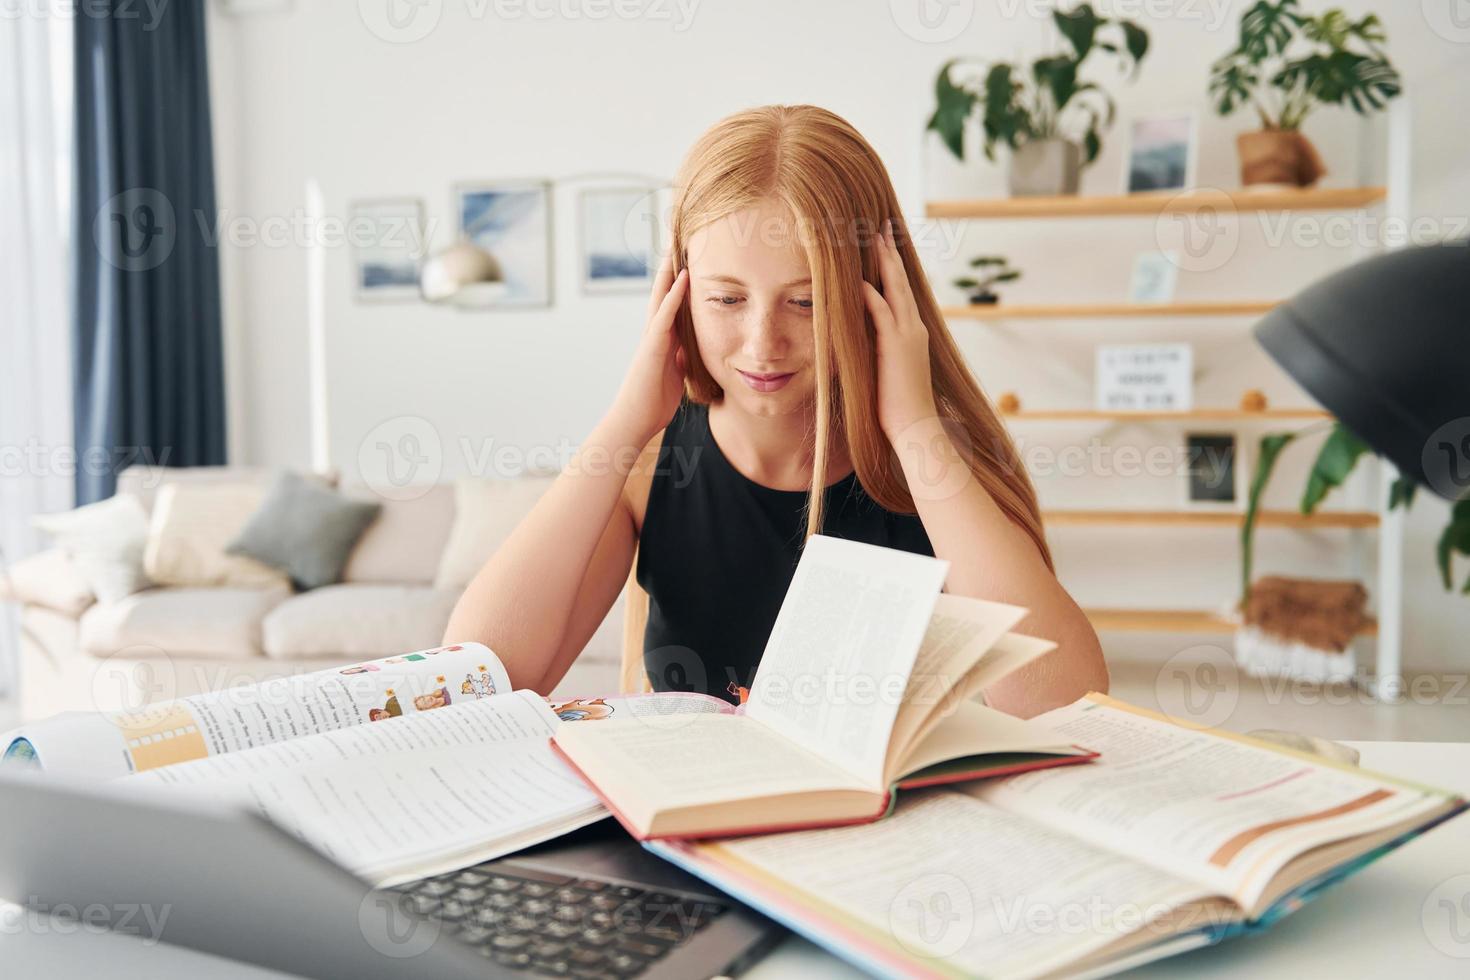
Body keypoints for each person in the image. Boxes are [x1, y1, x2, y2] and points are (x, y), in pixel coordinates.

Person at [444, 104, 1106, 718]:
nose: (763, 346)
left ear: (877, 292)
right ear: (675, 292)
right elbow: (477, 683)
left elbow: (1066, 705)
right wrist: (623, 424)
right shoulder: (649, 463)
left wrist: (912, 429)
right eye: (727, 300)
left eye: (807, 301)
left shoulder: (934, 461)